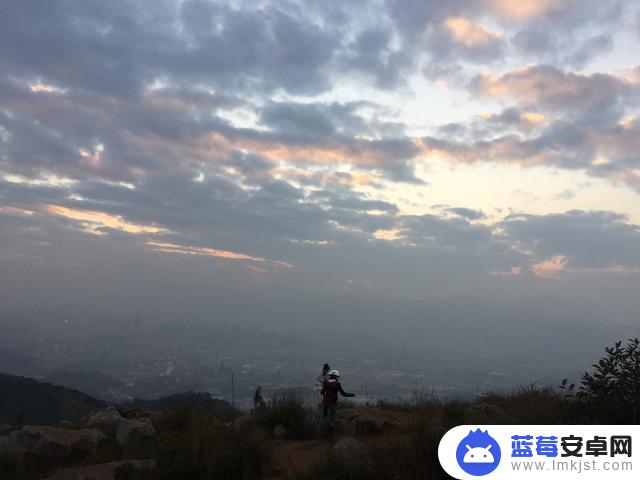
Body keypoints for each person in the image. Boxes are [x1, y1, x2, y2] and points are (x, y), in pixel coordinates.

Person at [321, 369, 355, 437]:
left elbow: (322, 392)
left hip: (325, 402)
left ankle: (324, 416)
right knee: (332, 420)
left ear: (330, 376)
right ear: (337, 377)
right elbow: (343, 394)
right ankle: (331, 436)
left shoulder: (325, 383)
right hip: (332, 403)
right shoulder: (337, 384)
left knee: (325, 415)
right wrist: (352, 394)